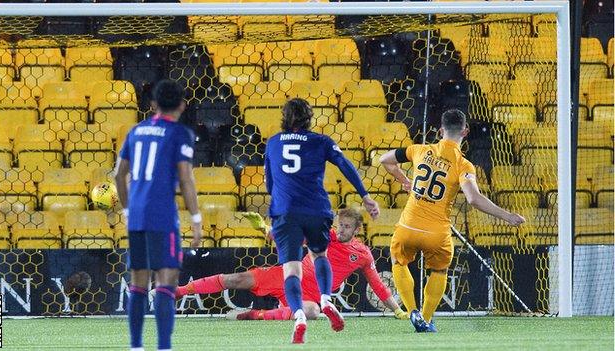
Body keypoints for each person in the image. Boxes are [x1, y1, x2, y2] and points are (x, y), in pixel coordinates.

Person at [379, 109, 525, 333]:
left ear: (440, 130)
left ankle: (412, 312)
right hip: (437, 233)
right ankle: (426, 320)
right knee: (438, 272)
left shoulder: (419, 150)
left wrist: (405, 180)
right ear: (465, 132)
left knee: (399, 263)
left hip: (408, 226)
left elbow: (385, 160)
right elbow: (474, 199)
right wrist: (508, 216)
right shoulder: (463, 165)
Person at [264, 98, 380, 343]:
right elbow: (344, 164)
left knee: (291, 270)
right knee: (319, 255)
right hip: (316, 210)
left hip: (285, 213)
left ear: (285, 118)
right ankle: (327, 299)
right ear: (309, 118)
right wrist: (366, 196)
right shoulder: (322, 141)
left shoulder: (272, 143)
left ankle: (299, 316)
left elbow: (269, 184)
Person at [176, 209, 409, 321]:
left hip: (309, 295)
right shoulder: (325, 235)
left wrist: (397, 309)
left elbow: (377, 285)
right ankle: (178, 292)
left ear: (357, 230)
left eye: (347, 227)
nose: (341, 229)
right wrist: (266, 230)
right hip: (288, 276)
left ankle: (252, 315)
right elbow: (292, 236)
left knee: (313, 312)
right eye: (340, 225)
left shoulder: (363, 254)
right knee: (234, 279)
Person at [115, 79, 203, 351]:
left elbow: (119, 174)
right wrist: (196, 220)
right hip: (163, 216)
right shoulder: (179, 134)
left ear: (153, 104)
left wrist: (129, 209)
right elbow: (186, 179)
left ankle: (136, 346)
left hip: (138, 216)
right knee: (166, 281)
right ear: (182, 105)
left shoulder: (136, 131)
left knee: (138, 282)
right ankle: (164, 346)